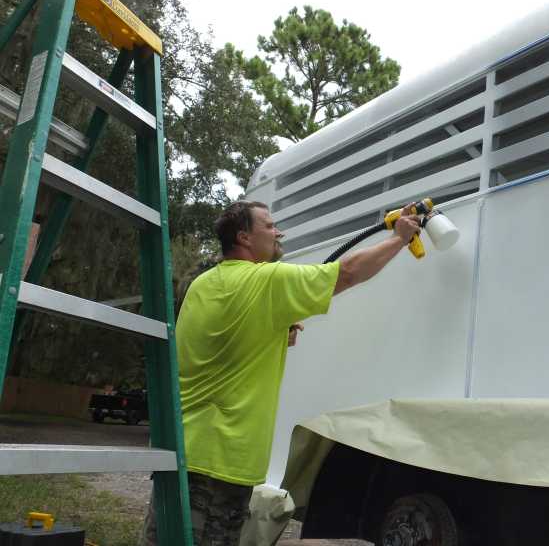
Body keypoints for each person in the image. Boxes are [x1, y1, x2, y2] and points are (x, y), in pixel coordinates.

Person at [141, 199, 421, 545]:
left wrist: (272, 332)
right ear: (244, 237)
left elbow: (219, 343)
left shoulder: (204, 283)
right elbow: (347, 273)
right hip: (219, 459)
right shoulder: (266, 280)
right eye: (270, 226)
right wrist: (399, 238)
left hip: (183, 447)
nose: (279, 232)